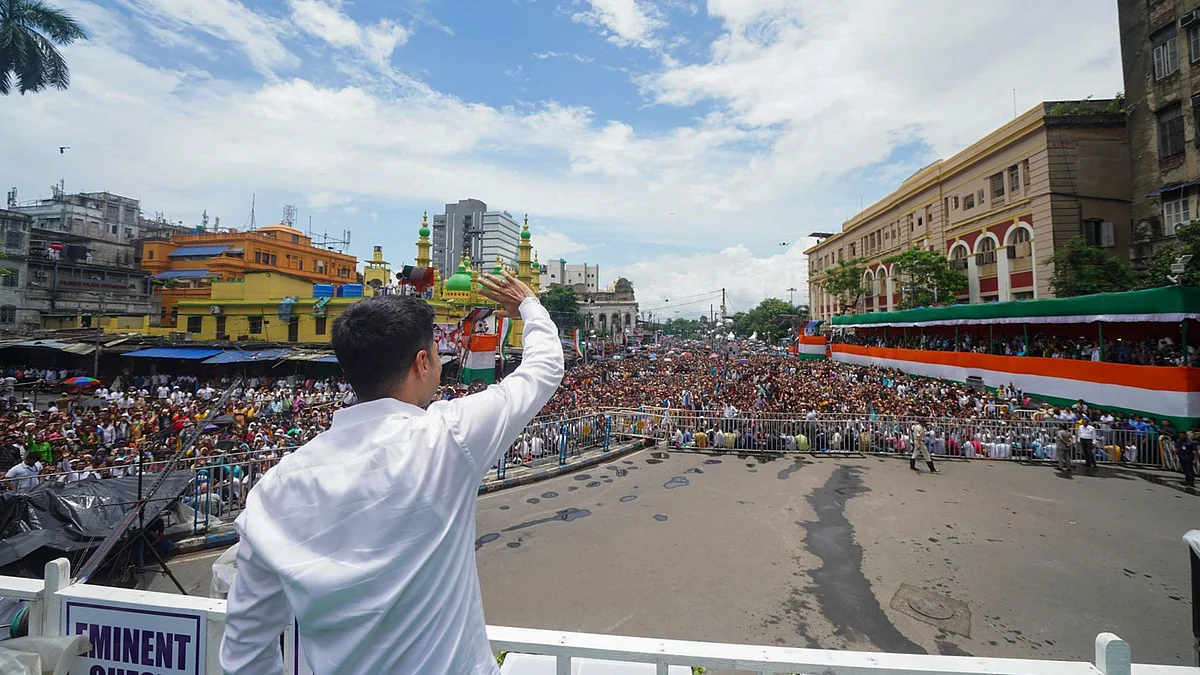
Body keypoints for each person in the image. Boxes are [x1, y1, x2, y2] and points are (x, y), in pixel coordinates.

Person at [220, 269, 564, 675]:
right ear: (422, 363)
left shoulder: (275, 489)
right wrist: (529, 305)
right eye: (437, 353)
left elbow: (245, 651)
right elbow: (542, 369)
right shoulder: (447, 439)